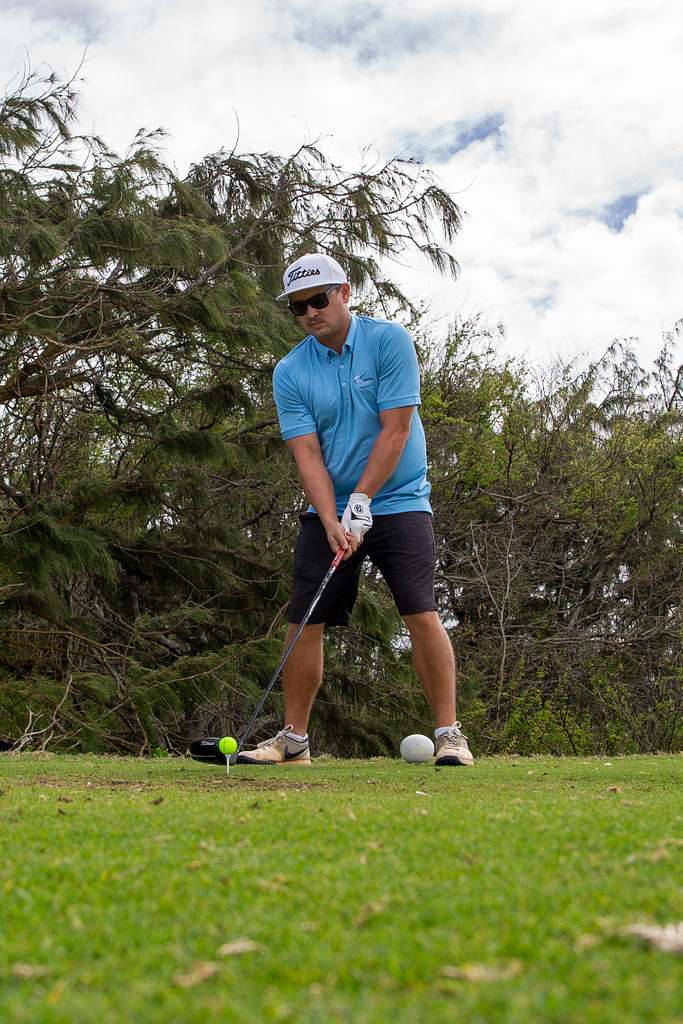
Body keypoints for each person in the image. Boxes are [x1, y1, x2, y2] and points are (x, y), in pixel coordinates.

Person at [237, 254, 473, 767]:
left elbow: (397, 430)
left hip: (401, 498)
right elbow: (308, 455)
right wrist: (329, 519)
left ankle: (450, 735)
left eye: (318, 300)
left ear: (345, 292)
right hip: (330, 506)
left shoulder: (389, 341)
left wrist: (363, 500)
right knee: (305, 619)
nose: (309, 313)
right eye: (298, 307)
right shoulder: (290, 370)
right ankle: (293, 740)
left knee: (419, 608)